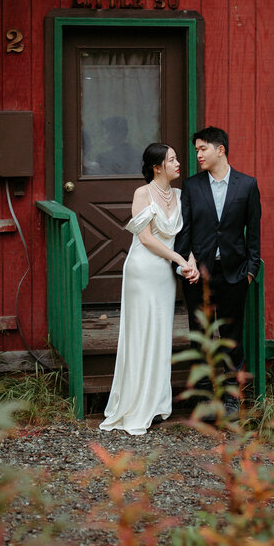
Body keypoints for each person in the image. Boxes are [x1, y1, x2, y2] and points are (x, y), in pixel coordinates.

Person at [100, 143, 199, 436]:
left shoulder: (181, 195)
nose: (178, 163)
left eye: (177, 158)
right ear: (158, 166)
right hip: (143, 271)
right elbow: (145, 238)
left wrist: (189, 263)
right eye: (172, 159)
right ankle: (134, 402)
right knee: (141, 334)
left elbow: (187, 236)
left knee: (160, 335)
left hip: (165, 275)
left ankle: (156, 402)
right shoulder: (142, 194)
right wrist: (180, 259)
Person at [174, 127, 261, 412]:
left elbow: (254, 233)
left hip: (235, 273)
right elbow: (185, 231)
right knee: (199, 331)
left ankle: (232, 397)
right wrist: (186, 265)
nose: (197, 154)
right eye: (196, 150)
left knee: (231, 336)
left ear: (220, 150)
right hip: (198, 273)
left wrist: (250, 270)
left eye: (202, 149)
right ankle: (201, 395)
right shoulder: (191, 186)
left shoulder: (247, 185)